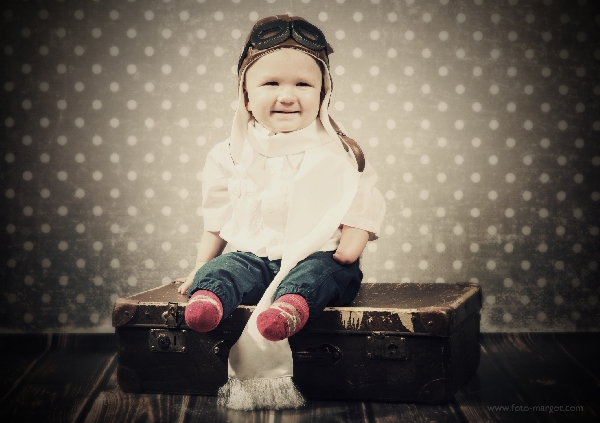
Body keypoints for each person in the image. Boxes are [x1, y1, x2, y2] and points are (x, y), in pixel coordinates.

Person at [176, 14, 385, 409]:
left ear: (323, 94)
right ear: (245, 95)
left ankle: (290, 309)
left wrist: (352, 243)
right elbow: (217, 218)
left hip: (319, 255)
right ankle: (209, 300)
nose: (288, 96)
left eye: (303, 84)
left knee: (321, 274)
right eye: (271, 83)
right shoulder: (230, 153)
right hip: (254, 256)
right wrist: (200, 266)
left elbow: (362, 198)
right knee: (227, 267)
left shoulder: (339, 153)